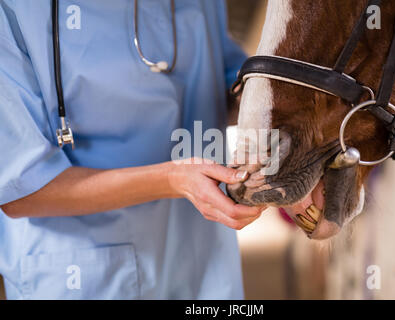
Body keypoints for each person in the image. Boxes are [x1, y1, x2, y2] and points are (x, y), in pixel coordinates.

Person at [0, 0, 263, 299]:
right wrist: (173, 179)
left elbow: (230, 84)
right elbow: (22, 189)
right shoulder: (14, 10)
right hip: (83, 274)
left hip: (200, 259)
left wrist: (290, 124)